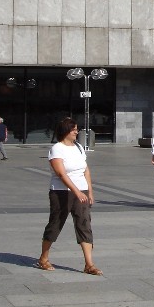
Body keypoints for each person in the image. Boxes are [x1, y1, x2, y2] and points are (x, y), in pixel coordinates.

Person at [36, 117, 102, 275]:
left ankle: (89, 264)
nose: (76, 131)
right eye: (73, 129)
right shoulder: (57, 149)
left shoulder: (78, 147)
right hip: (61, 192)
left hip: (82, 192)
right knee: (56, 224)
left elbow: (85, 170)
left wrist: (89, 191)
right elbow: (61, 173)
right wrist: (76, 191)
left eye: (76, 129)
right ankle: (43, 258)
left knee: (84, 224)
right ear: (65, 131)